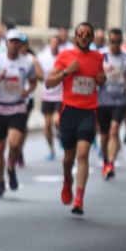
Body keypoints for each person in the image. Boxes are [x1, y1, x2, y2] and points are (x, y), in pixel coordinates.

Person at [45, 22, 106, 216]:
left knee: (82, 154)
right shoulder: (65, 56)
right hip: (69, 111)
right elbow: (48, 83)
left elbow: (100, 79)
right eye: (81, 34)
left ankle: (79, 198)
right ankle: (67, 180)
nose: (84, 37)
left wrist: (102, 79)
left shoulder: (98, 57)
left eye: (88, 34)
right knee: (68, 157)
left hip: (88, 112)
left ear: (92, 37)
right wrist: (66, 72)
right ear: (75, 37)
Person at [0, 30, 37, 198]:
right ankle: (1, 181)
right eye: (11, 41)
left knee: (14, 144)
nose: (14, 44)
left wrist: (27, 91)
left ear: (21, 45)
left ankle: (11, 166)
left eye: (17, 42)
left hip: (18, 108)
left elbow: (34, 81)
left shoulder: (27, 63)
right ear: (6, 43)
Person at [96, 28, 126, 179]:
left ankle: (111, 163)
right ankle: (105, 161)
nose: (115, 45)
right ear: (108, 41)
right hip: (103, 99)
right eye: (112, 42)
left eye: (118, 42)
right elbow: (93, 73)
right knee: (104, 135)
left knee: (114, 129)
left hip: (120, 99)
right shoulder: (100, 56)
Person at [35, 29, 65, 160]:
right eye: (52, 43)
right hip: (46, 95)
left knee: (57, 121)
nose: (54, 45)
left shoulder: (64, 57)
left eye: (56, 43)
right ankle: (51, 149)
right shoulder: (42, 56)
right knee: (47, 125)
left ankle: (60, 133)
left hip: (60, 95)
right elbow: (38, 73)